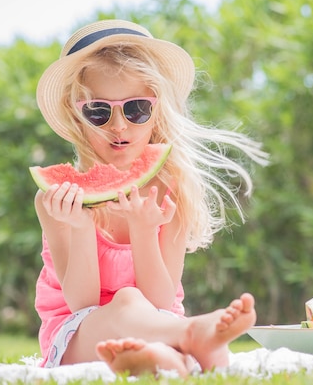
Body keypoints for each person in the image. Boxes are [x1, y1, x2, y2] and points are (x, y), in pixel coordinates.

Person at [32, 19, 268, 377]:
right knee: (127, 300)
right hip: (80, 337)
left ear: (156, 111)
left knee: (150, 327)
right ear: (76, 114)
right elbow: (83, 303)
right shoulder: (56, 201)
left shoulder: (173, 190)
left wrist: (144, 231)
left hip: (157, 327)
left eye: (136, 109)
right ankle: (193, 336)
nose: (119, 126)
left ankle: (161, 359)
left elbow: (159, 302)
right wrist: (81, 225)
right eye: (98, 111)